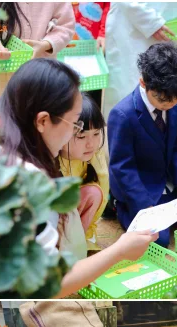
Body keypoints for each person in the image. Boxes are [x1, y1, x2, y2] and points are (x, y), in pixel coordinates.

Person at [0, 59, 157, 298]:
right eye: (75, 123)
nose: (75, 132)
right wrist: (120, 250)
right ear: (42, 121)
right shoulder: (27, 181)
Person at [107, 42, 177, 248]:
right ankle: (117, 207)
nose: (170, 104)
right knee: (160, 239)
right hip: (139, 189)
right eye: (163, 99)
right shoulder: (123, 114)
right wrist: (145, 207)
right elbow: (123, 169)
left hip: (165, 183)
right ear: (142, 82)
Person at [0, 3, 76, 110]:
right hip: (2, 72)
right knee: (0, 120)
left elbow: (66, 26)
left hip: (41, 75)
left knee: (37, 118)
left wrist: (46, 44)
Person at [58, 93, 110, 252]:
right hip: (54, 222)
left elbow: (103, 190)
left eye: (96, 134)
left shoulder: (94, 155)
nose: (91, 144)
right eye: (81, 136)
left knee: (95, 192)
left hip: (74, 220)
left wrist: (86, 234)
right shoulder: (49, 158)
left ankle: (79, 241)